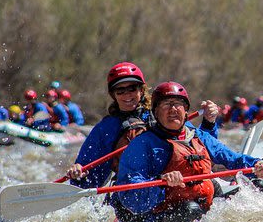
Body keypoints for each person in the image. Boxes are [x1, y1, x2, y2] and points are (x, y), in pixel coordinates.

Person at [103, 81, 263, 222]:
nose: (173, 109)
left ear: (185, 111)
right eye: (166, 105)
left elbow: (232, 159)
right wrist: (161, 183)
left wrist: (256, 165)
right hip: (158, 216)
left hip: (203, 206)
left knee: (260, 186)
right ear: (155, 112)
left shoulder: (198, 136)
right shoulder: (142, 145)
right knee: (190, 210)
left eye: (178, 104)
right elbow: (130, 197)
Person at [66, 62, 220, 190]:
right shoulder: (106, 128)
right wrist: (79, 172)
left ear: (141, 90)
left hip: (178, 181)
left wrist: (209, 122)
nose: (127, 95)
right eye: (121, 90)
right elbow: (88, 178)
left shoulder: (162, 112)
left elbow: (202, 149)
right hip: (139, 188)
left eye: (132, 88)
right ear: (114, 95)